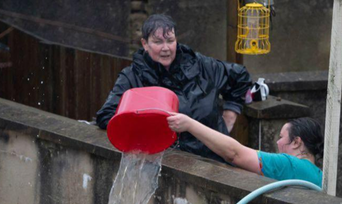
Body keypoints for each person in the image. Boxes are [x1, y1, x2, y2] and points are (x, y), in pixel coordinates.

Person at [96, 14, 252, 162]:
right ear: (145, 44)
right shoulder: (132, 77)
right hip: (168, 164)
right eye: (158, 42)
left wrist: (231, 111)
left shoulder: (201, 65)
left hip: (216, 159)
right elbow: (106, 116)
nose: (166, 48)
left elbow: (240, 76)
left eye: (170, 41)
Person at [167, 114, 324, 187]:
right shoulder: (319, 175)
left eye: (281, 137)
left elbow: (234, 154)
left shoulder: (290, 164)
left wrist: (189, 124)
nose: (278, 142)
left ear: (296, 142)